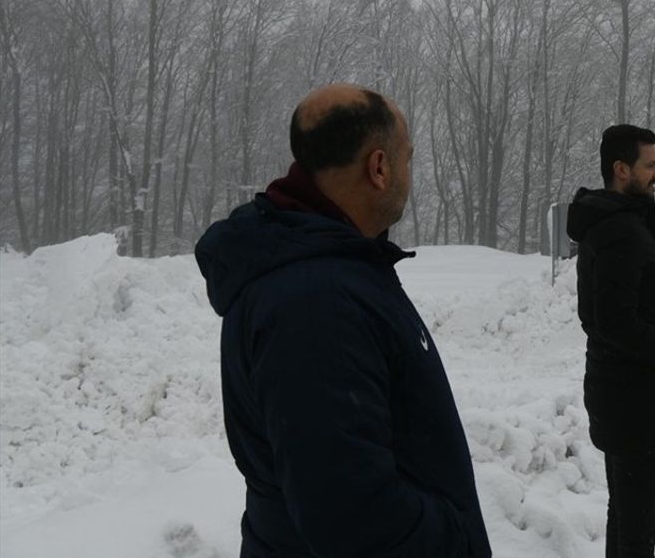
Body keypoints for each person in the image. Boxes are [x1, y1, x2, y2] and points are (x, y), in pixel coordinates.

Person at [195, 84, 491, 557]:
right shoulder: (315, 300)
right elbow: (354, 517)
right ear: (379, 168)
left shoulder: (330, 268)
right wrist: (454, 540)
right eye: (407, 158)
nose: (409, 173)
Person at [566, 124, 655, 558]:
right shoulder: (619, 231)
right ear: (621, 169)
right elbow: (611, 321)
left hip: (628, 400)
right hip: (636, 405)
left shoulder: (622, 221)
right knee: (637, 531)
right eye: (651, 165)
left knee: (625, 519)